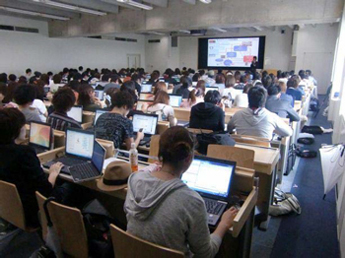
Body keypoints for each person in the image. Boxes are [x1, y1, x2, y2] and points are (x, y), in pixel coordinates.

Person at [124, 126, 238, 257]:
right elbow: (206, 253)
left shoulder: (135, 179)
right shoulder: (192, 201)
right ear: (189, 159)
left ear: (160, 156)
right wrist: (223, 224)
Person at [0, 108, 63, 227]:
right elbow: (45, 189)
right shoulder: (24, 153)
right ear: (16, 131)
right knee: (71, 188)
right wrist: (53, 173)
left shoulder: (15, 152)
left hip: (8, 208)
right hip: (31, 211)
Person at [228, 86, 292, 139]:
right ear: (265, 99)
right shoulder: (271, 117)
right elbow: (289, 132)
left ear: (248, 98)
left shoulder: (238, 115)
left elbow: (229, 129)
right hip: (265, 152)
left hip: (243, 152)